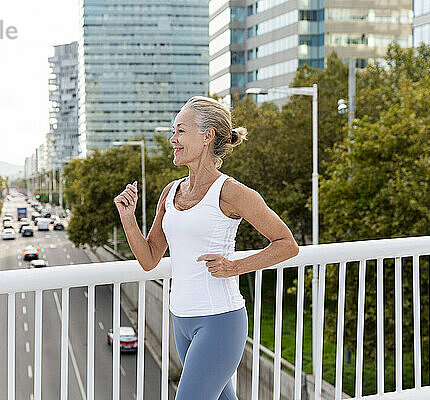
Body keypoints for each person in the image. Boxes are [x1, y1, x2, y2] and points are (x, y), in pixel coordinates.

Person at [114, 96, 299, 400]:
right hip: (181, 319)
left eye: (180, 131)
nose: (173, 139)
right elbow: (149, 259)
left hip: (220, 321)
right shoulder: (170, 192)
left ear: (207, 136)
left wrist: (235, 267)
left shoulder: (231, 192)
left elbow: (287, 244)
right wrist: (127, 218)